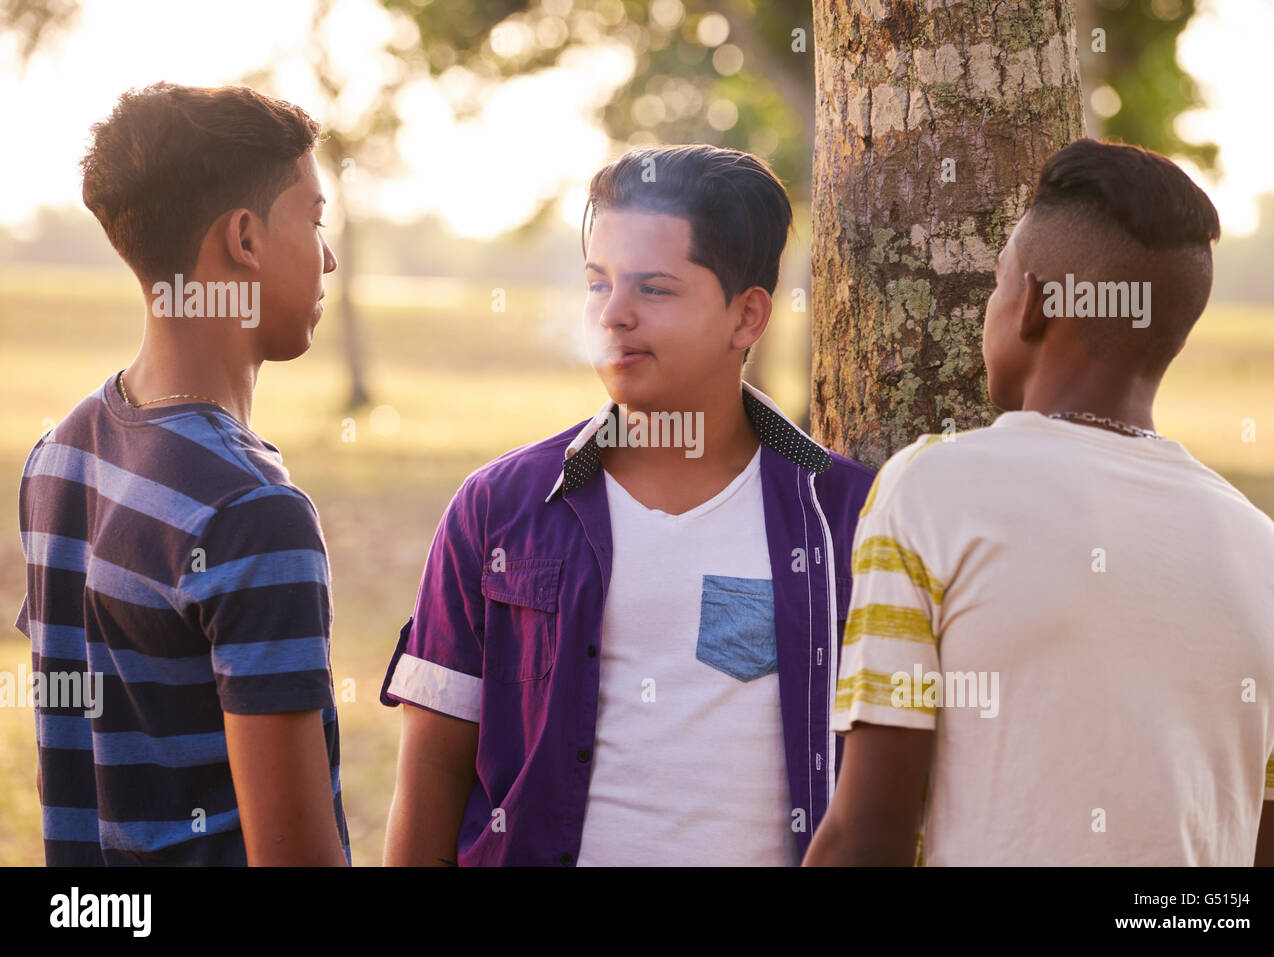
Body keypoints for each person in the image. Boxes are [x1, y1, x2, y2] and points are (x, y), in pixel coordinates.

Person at [805, 138, 1274, 866]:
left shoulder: (933, 491)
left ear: (1032, 305)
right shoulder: (1268, 558)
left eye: (999, 283)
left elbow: (867, 834)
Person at [381, 144, 874, 866]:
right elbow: (430, 773)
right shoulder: (498, 509)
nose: (614, 316)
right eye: (598, 284)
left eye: (655, 289)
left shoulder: (843, 518)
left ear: (748, 316)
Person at [15, 83, 349, 865]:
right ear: (245, 238)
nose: (328, 255)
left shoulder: (60, 452)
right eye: (314, 218)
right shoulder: (252, 511)